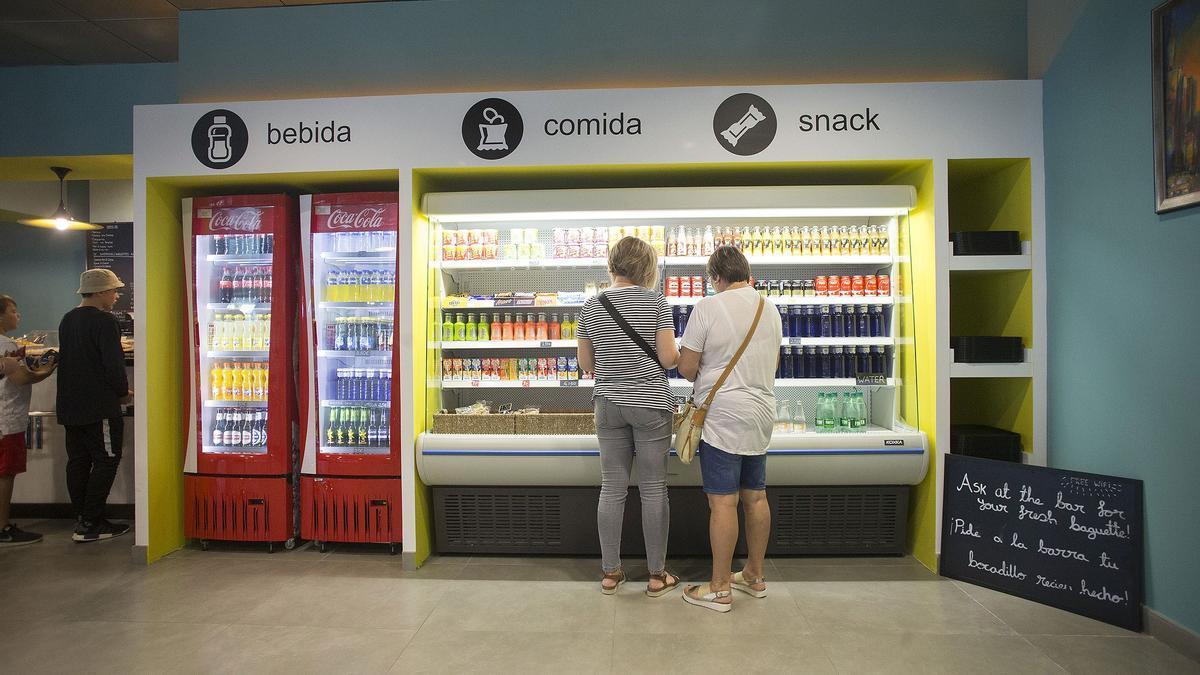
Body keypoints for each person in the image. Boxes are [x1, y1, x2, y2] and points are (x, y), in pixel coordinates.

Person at [677, 246, 782, 612]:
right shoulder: (770, 308)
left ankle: (720, 587)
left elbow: (687, 368)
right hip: (761, 413)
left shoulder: (707, 308)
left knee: (723, 501)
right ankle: (754, 574)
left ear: (716, 277)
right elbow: (774, 362)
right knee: (756, 495)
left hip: (722, 417)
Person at [576, 236, 681, 596]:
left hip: (607, 402)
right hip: (650, 403)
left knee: (612, 487)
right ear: (646, 267)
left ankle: (610, 572)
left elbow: (586, 364)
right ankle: (656, 575)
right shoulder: (656, 301)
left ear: (613, 264)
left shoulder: (591, 306)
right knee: (653, 489)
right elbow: (669, 359)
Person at [57, 269, 132, 543]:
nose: (116, 295)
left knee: (78, 461)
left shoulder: (68, 320)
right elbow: (113, 364)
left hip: (70, 405)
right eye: (113, 290)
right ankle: (91, 523)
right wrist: (122, 393)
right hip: (98, 405)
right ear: (100, 292)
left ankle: (83, 518)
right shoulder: (104, 322)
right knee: (106, 460)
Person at [0, 295, 58, 547]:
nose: (18, 315)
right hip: (6, 420)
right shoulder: (5, 344)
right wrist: (47, 369)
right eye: (13, 310)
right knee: (5, 474)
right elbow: (20, 379)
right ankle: (2, 527)